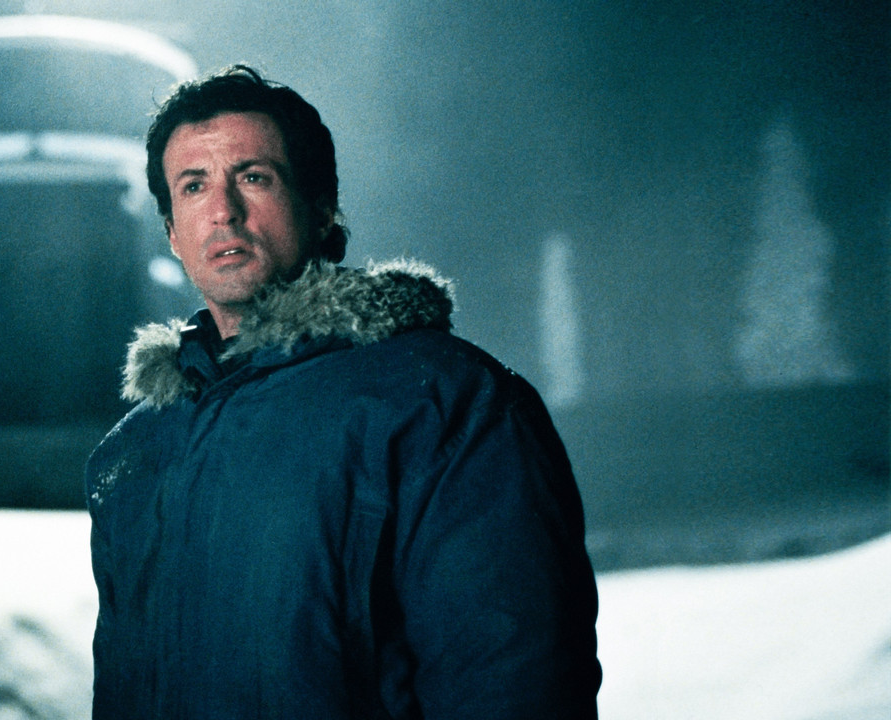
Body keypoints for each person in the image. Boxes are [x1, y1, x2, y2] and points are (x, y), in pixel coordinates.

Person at [84, 64, 601, 719]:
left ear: (321, 207)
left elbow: (514, 683)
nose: (223, 210)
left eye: (253, 177)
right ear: (172, 234)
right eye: (193, 186)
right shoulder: (135, 452)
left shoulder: (441, 402)